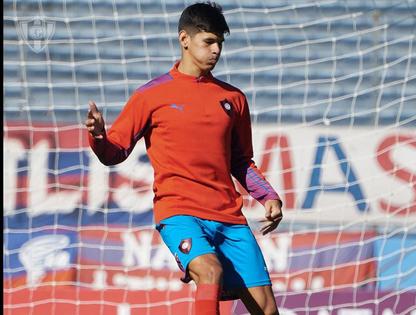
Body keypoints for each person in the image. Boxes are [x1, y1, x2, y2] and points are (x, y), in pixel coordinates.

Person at [84, 2, 283, 314]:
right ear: (184, 39)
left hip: (229, 216)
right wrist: (97, 135)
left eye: (220, 43)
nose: (216, 50)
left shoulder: (233, 99)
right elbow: (114, 152)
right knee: (209, 270)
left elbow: (241, 160)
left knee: (267, 309)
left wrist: (267, 196)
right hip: (179, 212)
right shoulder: (151, 95)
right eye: (209, 41)